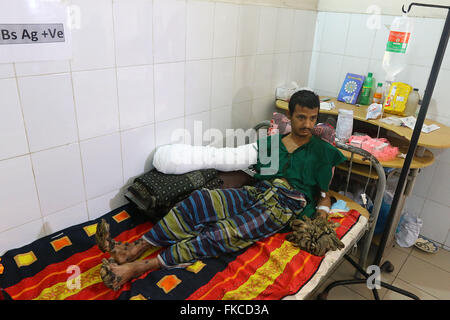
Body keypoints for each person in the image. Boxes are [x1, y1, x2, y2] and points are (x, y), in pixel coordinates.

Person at [96, 90, 347, 291]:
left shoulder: (323, 151)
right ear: (290, 116)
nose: (308, 124)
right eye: (301, 117)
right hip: (258, 192)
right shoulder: (271, 144)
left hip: (286, 205)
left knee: (224, 232)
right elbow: (254, 172)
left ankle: (142, 265)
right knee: (199, 201)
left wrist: (322, 218)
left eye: (313, 118)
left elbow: (325, 194)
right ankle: (135, 247)